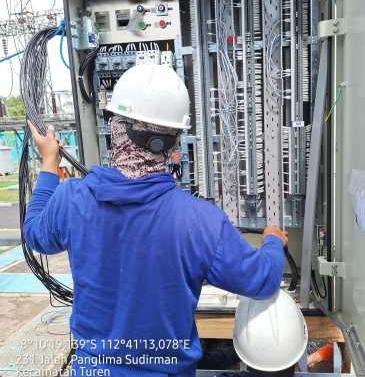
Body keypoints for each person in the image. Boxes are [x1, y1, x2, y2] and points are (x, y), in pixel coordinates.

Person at [24, 64, 287, 377]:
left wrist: (49, 162)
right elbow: (262, 280)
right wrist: (273, 242)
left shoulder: (72, 199)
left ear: (115, 130)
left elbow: (34, 233)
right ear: (173, 143)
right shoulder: (200, 221)